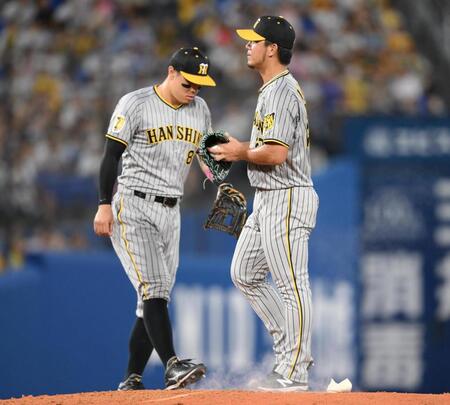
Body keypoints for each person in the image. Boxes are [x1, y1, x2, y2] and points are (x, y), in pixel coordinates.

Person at [93, 47, 216, 391]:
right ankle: (173, 366)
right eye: (190, 82)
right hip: (133, 205)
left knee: (150, 299)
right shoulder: (135, 103)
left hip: (171, 210)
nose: (195, 91)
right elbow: (110, 156)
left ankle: (131, 379)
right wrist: (104, 204)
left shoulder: (200, 110)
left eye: (200, 86)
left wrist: (218, 180)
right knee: (155, 289)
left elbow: (207, 158)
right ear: (172, 72)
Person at [208, 16, 319, 391]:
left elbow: (274, 155)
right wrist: (237, 150)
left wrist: (240, 151)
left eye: (254, 40)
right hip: (269, 198)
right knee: (244, 272)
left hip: (287, 196)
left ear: (272, 48)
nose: (247, 45)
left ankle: (295, 370)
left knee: (292, 284)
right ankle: (288, 351)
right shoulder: (271, 89)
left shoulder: (281, 91)